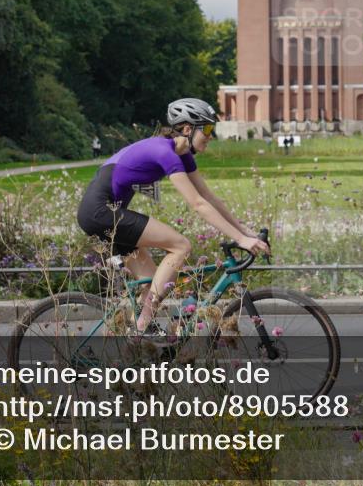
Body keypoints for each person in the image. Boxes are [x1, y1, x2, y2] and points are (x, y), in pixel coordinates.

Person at [77, 98, 269, 335]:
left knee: (151, 282)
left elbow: (209, 197)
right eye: (207, 129)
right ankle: (143, 324)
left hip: (107, 214)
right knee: (181, 246)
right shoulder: (164, 152)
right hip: (100, 213)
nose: (211, 135)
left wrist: (244, 232)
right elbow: (197, 204)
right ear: (188, 129)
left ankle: (136, 340)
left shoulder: (184, 154)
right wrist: (240, 241)